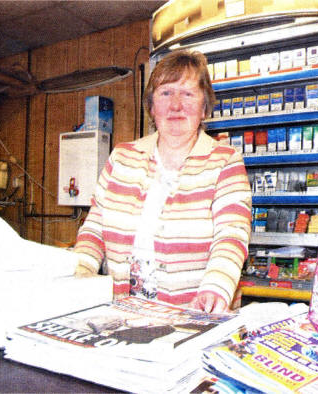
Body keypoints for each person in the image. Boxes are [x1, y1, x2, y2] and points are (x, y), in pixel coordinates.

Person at [74, 50, 252, 313]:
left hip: (193, 316)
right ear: (152, 106)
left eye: (188, 94)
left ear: (204, 108)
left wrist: (215, 289)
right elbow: (95, 227)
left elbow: (231, 235)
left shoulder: (225, 161)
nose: (176, 105)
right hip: (123, 314)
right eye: (166, 93)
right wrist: (80, 269)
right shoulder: (121, 157)